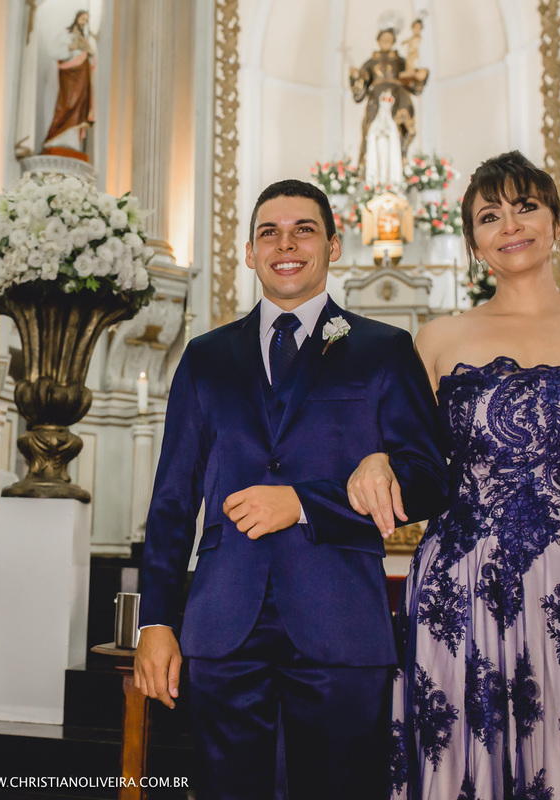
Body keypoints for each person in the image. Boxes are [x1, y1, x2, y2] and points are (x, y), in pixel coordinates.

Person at [352, 151, 560, 798]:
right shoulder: (437, 339)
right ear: (473, 243)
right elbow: (404, 456)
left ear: (557, 224)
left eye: (526, 206)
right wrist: (372, 457)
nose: (511, 224)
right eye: (489, 215)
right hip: (466, 590)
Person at [134, 179, 450, 799]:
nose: (286, 244)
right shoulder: (204, 357)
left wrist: (305, 502)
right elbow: (173, 499)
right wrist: (156, 623)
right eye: (268, 232)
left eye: (303, 229)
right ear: (249, 253)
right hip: (223, 625)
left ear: (333, 245)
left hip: (340, 625)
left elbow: (430, 481)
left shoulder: (383, 350)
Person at [349, 24, 427, 185]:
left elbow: (413, 84)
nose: (386, 41)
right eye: (383, 38)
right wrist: (356, 77)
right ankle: (367, 172)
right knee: (371, 132)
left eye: (389, 39)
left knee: (399, 133)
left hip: (399, 99)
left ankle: (402, 167)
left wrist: (420, 76)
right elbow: (360, 90)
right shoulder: (370, 63)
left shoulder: (401, 61)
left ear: (394, 41)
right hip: (375, 101)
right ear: (377, 41)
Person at [42, 10, 96, 156]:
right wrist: (71, 48)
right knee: (67, 104)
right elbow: (53, 52)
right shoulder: (66, 36)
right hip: (69, 76)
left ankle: (73, 142)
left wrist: (89, 53)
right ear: (76, 18)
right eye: (82, 18)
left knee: (79, 107)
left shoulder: (85, 39)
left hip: (82, 77)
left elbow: (92, 60)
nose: (84, 22)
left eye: (86, 20)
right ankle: (57, 137)